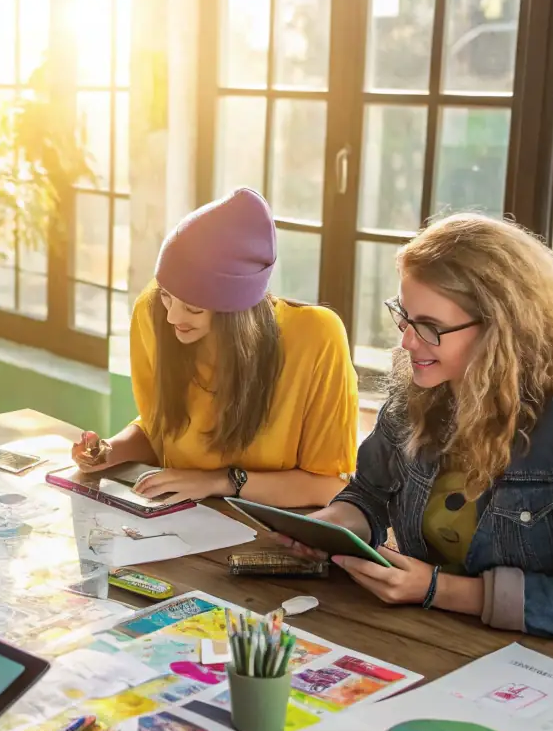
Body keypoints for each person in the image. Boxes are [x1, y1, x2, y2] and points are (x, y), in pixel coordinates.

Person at [303, 214, 553, 645]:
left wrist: (438, 589)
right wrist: (326, 527)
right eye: (404, 317)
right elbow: (369, 494)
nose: (408, 342)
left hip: (550, 667)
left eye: (429, 327)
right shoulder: (420, 387)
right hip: (431, 640)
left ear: (500, 329)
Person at [70, 188, 358, 507]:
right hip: (175, 519)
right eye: (166, 294)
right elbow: (161, 428)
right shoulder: (153, 314)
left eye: (193, 308)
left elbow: (329, 487)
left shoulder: (316, 336)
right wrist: (110, 451)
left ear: (237, 311)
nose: (173, 316)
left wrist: (219, 481)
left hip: (271, 534)